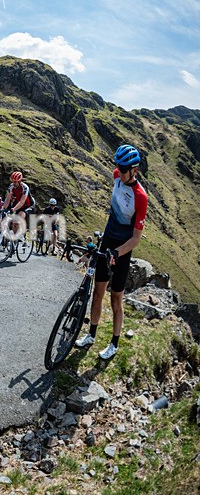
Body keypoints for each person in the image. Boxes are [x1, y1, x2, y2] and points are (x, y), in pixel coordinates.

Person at [76, 145, 148, 360]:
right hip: (107, 240)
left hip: (122, 250)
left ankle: (114, 343)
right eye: (118, 166)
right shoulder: (117, 175)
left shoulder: (140, 197)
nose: (119, 170)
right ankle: (91, 335)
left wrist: (116, 253)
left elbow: (136, 238)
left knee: (116, 299)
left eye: (124, 168)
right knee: (97, 293)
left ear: (134, 169)